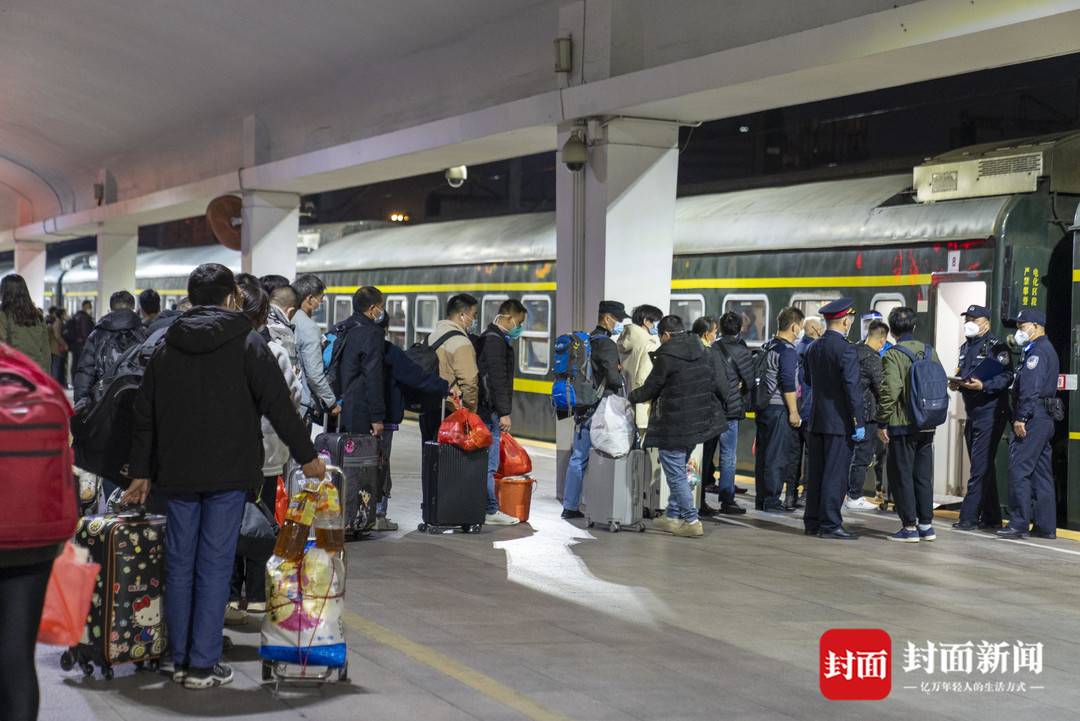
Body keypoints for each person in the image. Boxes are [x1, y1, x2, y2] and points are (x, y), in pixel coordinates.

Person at [125, 263, 325, 689]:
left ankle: (176, 659)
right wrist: (307, 456)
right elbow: (279, 406)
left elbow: (146, 416)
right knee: (214, 565)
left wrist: (141, 472)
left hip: (174, 473)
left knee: (179, 564)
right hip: (228, 473)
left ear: (191, 297)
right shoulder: (248, 343)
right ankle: (201, 665)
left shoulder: (166, 345)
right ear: (231, 297)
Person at [228, 279, 302, 622]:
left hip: (228, 458)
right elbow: (292, 399)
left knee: (228, 524)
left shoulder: (223, 349)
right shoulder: (276, 351)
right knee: (261, 523)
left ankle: (230, 594)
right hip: (269, 454)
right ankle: (256, 594)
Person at [630, 315, 727, 538]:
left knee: (675, 472)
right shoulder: (702, 350)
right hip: (698, 423)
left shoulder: (668, 355)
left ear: (665, 335)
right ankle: (672, 517)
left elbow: (651, 387)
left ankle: (691, 520)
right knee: (679, 470)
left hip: (674, 425)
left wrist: (631, 397)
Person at [375, 313, 449, 531]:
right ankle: (377, 513)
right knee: (380, 462)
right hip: (383, 417)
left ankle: (351, 511)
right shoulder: (389, 351)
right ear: (386, 328)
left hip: (350, 414)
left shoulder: (347, 339)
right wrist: (443, 386)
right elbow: (415, 376)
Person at [877, 306, 940, 543]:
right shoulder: (929, 351)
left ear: (892, 331)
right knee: (923, 476)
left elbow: (890, 391)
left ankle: (909, 526)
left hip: (903, 424)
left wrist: (882, 420)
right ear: (914, 326)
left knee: (902, 474)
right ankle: (927, 525)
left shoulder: (894, 354)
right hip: (928, 423)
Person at [804, 297, 864, 540]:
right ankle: (830, 524)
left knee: (816, 473)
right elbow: (853, 389)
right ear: (845, 321)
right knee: (835, 474)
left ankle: (812, 522)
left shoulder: (812, 347)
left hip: (817, 419)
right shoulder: (846, 349)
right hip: (839, 423)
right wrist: (858, 422)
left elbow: (808, 381)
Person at [561, 300, 627, 520]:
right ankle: (602, 505)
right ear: (607, 318)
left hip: (583, 408)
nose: (619, 325)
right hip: (601, 408)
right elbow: (614, 379)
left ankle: (570, 506)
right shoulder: (607, 344)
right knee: (605, 456)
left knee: (578, 457)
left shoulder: (587, 340)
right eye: (618, 320)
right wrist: (619, 373)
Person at [950, 305, 1013, 531]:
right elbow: (964, 373)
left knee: (979, 467)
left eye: (974, 319)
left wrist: (984, 385)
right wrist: (957, 382)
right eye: (967, 318)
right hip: (972, 413)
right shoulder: (966, 347)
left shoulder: (997, 347)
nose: (969, 322)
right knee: (984, 466)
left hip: (991, 413)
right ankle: (992, 516)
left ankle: (968, 517)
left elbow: (1007, 377)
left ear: (986, 322)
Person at [999, 308, 1060, 540]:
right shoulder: (1041, 349)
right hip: (1043, 417)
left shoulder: (1037, 352)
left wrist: (1021, 417)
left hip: (1033, 417)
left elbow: (1030, 389)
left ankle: (1018, 523)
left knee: (1019, 470)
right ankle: (1045, 526)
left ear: (1036, 326)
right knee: (1041, 472)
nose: (1018, 331)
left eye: (1022, 327)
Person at [477, 298, 529, 526]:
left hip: (489, 409)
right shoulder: (495, 341)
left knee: (488, 463)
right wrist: (503, 412)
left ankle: (486, 508)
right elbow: (496, 379)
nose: (520, 327)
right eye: (519, 322)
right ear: (508, 317)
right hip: (490, 412)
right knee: (489, 464)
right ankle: (490, 509)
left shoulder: (493, 338)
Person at [753, 307, 804, 513]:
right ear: (794, 326)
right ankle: (772, 501)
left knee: (764, 455)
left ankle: (762, 498)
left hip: (764, 407)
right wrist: (793, 411)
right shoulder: (788, 351)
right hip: (779, 409)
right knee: (776, 456)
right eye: (799, 327)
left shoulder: (768, 346)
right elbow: (788, 383)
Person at [423, 294, 481, 443]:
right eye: (474, 315)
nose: (475, 320)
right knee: (451, 462)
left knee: (431, 459)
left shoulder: (431, 337)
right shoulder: (461, 342)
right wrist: (470, 412)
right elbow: (469, 382)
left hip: (428, 407)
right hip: (450, 411)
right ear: (462, 315)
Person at [72, 290, 147, 406]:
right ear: (133, 307)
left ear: (111, 308)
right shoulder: (144, 334)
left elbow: (85, 370)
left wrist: (80, 401)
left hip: (103, 401)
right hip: (136, 399)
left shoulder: (97, 335)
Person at [713, 310, 754, 512]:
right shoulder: (742, 350)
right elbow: (749, 380)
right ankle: (727, 499)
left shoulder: (712, 348)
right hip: (731, 409)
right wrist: (739, 389)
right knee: (728, 455)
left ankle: (700, 495)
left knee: (707, 452)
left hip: (712, 408)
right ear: (740, 328)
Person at [846, 320, 888, 511]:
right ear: (882, 340)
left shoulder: (852, 351)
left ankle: (844, 493)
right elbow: (881, 388)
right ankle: (854, 496)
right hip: (866, 415)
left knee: (846, 456)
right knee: (862, 457)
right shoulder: (873, 359)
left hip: (848, 411)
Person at [337, 286, 387, 444]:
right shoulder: (372, 334)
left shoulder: (343, 327)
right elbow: (373, 377)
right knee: (359, 459)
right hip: (359, 409)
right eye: (382, 307)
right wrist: (377, 417)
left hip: (339, 404)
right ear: (373, 308)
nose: (382, 312)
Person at [692, 316, 730, 516]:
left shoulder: (688, 350)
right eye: (715, 332)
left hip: (690, 414)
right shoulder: (711, 353)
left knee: (690, 460)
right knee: (704, 461)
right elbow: (721, 385)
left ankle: (690, 500)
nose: (716, 336)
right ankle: (700, 502)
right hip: (708, 414)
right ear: (707, 334)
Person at [783, 315, 822, 507]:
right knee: (810, 454)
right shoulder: (814, 350)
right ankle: (806, 492)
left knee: (794, 453)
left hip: (794, 407)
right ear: (814, 329)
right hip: (809, 408)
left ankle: (790, 494)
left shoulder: (796, 348)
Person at [293, 273, 340, 425]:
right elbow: (314, 374)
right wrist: (331, 402)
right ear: (309, 299)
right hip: (302, 404)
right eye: (321, 299)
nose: (321, 304)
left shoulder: (290, 319)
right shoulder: (309, 327)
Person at [617, 304, 662, 435]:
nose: (656, 326)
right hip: (641, 404)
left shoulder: (622, 342)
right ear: (646, 321)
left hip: (624, 400)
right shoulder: (648, 345)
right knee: (640, 448)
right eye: (654, 322)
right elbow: (646, 379)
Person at [0, 274, 50, 373]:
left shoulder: (3, 315)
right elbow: (46, 352)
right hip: (36, 373)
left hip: (13, 374)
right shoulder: (38, 316)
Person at [64, 299, 95, 375]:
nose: (90, 308)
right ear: (84, 306)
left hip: (75, 344)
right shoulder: (84, 317)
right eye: (89, 306)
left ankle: (74, 380)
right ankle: (78, 381)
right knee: (81, 364)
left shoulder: (76, 316)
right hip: (81, 345)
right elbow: (85, 332)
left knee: (75, 363)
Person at [48, 307, 69, 385]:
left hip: (56, 348)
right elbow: (57, 335)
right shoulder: (58, 322)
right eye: (65, 313)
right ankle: (53, 384)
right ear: (61, 314)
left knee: (56, 367)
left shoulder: (59, 322)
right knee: (55, 367)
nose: (66, 315)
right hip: (56, 349)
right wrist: (64, 344)